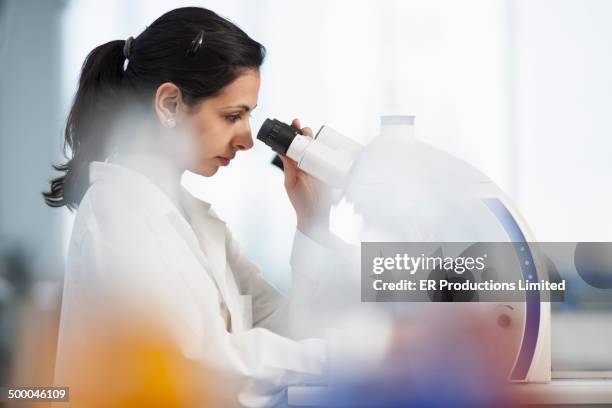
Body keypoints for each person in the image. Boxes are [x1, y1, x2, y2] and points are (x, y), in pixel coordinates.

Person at [43, 7, 335, 407]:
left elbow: (291, 332)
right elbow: (196, 363)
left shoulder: (196, 220)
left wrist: (312, 222)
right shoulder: (115, 215)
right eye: (233, 115)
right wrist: (347, 356)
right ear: (170, 105)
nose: (248, 140)